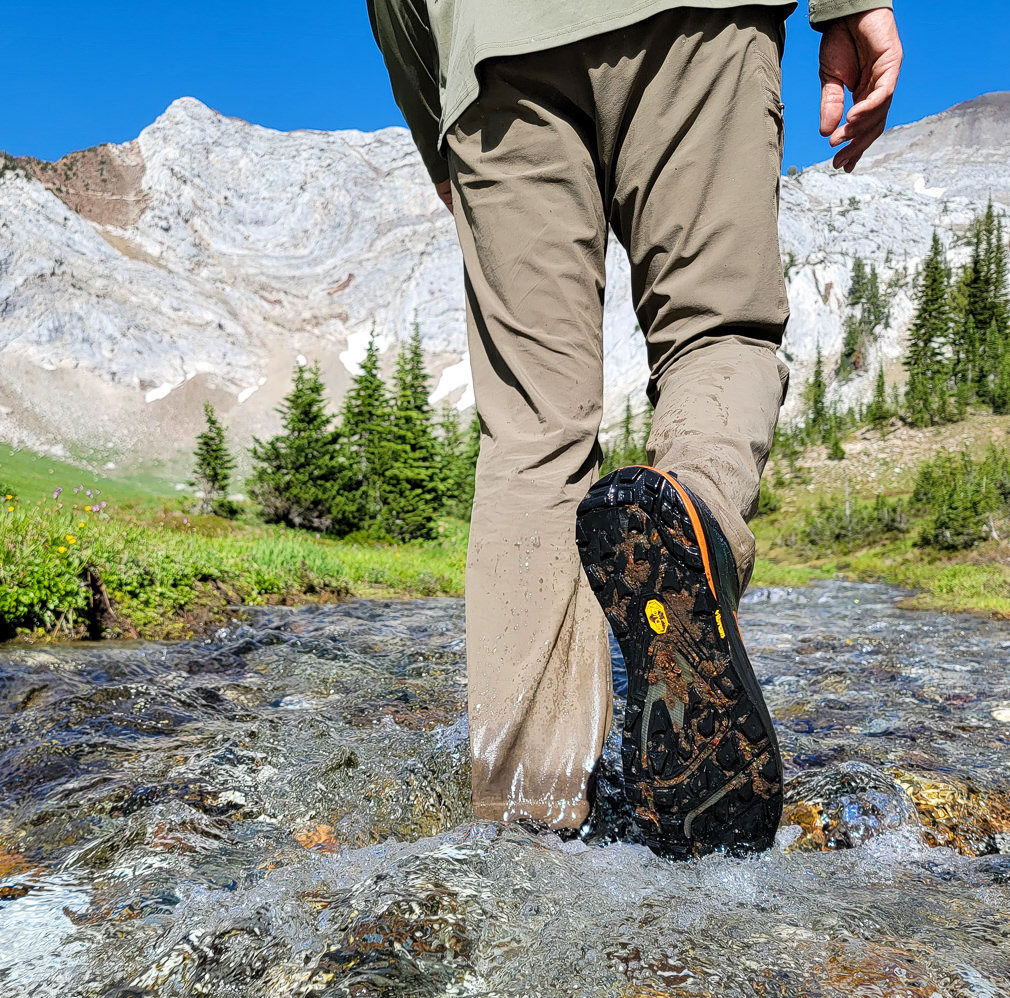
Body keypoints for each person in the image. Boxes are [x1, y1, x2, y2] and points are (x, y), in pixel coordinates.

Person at [368, 0, 902, 856]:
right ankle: (693, 514)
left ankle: (528, 814)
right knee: (716, 331)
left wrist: (437, 122)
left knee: (533, 434)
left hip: (495, 49)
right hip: (696, 23)